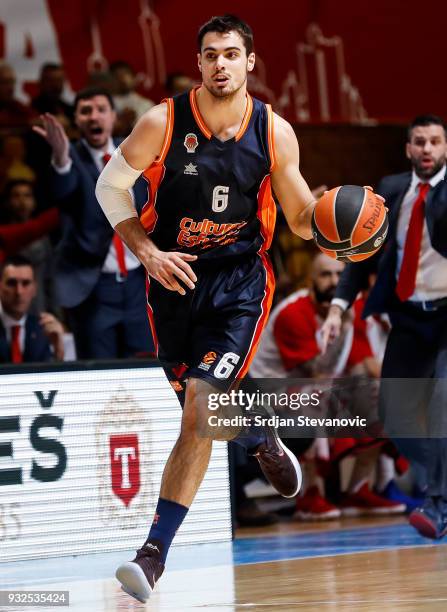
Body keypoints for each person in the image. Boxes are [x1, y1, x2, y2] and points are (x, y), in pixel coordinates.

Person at [96, 15, 382, 601]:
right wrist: (145, 250)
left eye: (231, 54)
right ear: (199, 63)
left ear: (250, 61)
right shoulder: (162, 122)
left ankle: (152, 557)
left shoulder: (274, 134)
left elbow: (302, 218)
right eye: (210, 55)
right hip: (171, 281)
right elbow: (109, 187)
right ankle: (258, 437)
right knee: (209, 410)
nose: (220, 64)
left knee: (200, 408)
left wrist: (338, 230)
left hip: (240, 286)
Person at [323, 114, 447, 539]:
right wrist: (338, 307)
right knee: (395, 418)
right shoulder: (391, 190)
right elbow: (359, 256)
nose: (427, 149)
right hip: (409, 316)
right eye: (419, 142)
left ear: (445, 148)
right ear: (408, 148)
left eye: (435, 141)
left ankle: (436, 505)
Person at [250, 253, 404, 519]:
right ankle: (311, 494)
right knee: (316, 397)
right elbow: (316, 372)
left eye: (339, 275)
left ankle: (358, 488)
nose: (334, 281)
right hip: (268, 396)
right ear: (311, 281)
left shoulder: (349, 311)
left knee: (383, 396)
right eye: (325, 275)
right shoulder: (293, 311)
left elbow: (361, 365)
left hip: (312, 387)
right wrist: (344, 327)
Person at [33, 87, 154, 359]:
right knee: (101, 374)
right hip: (95, 288)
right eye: (85, 111)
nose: (93, 116)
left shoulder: (136, 151)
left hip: (139, 284)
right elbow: (63, 192)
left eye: (100, 110)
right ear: (76, 119)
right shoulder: (68, 157)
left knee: (148, 371)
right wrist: (61, 159)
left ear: (113, 117)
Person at [2, 179, 56, 313]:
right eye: (16, 196)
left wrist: (56, 313)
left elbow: (50, 277)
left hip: (38, 306)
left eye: (27, 195)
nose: (22, 202)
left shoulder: (43, 238)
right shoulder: (3, 235)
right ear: (7, 202)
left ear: (34, 202)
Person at [0, 255, 64, 362]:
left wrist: (58, 349)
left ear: (34, 289)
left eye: (25, 283)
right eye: (11, 283)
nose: (19, 292)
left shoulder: (43, 329)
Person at [110, 61, 154, 135]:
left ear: (134, 77)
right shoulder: (106, 104)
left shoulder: (146, 104)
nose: (122, 78)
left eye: (125, 74)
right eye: (117, 75)